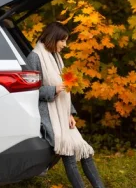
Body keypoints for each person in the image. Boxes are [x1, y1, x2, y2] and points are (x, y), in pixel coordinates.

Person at [27, 22, 105, 188]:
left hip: (63, 114)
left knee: (85, 153)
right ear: (53, 38)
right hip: (49, 116)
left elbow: (66, 89)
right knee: (69, 154)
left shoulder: (56, 57)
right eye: (63, 40)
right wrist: (53, 89)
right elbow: (30, 91)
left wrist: (70, 113)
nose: (65, 44)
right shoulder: (35, 57)